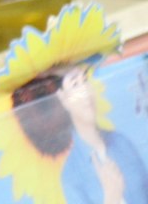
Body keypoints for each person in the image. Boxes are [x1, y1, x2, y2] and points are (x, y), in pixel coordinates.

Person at [10, 63, 148, 204]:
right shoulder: (71, 174)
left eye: (85, 81)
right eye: (75, 84)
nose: (85, 92)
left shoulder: (122, 143)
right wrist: (111, 196)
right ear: (62, 97)